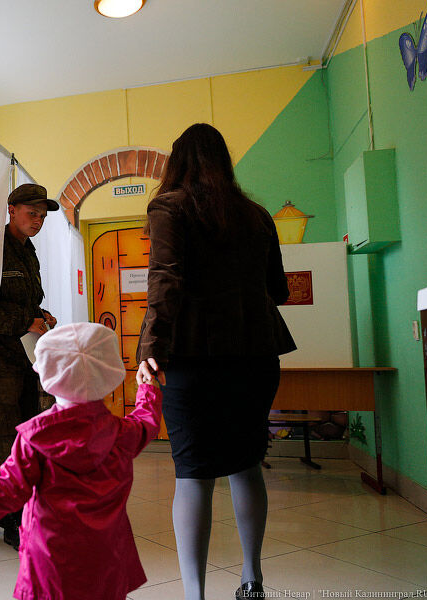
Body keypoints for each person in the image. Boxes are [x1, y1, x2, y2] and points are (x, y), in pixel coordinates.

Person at [135, 123, 296, 600]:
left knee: (193, 474)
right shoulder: (257, 215)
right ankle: (252, 580)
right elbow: (279, 290)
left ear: (177, 162)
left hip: (194, 359)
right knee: (247, 464)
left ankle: (195, 595)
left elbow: (165, 279)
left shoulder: (168, 207)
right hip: (256, 355)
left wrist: (150, 349)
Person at [0, 322, 162, 600]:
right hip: (106, 559)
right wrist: (147, 389)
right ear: (110, 372)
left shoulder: (36, 438)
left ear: (48, 374)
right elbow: (147, 422)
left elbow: (7, 489)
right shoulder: (122, 434)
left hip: (51, 565)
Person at [0, 182, 59, 548]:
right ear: (11, 210)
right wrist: (24, 320)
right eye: (32, 214)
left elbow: (24, 300)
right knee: (7, 439)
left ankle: (17, 510)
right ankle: (12, 520)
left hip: (23, 359)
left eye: (42, 216)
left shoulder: (27, 251)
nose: (38, 221)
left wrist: (40, 315)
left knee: (26, 437)